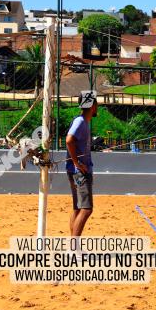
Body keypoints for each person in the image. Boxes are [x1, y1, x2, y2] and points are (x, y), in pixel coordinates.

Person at [66, 92, 99, 236]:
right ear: (92, 106)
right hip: (79, 172)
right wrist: (76, 162)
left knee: (78, 208)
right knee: (86, 209)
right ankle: (74, 249)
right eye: (96, 104)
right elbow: (69, 140)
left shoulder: (82, 122)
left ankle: (73, 247)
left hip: (75, 171)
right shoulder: (80, 122)